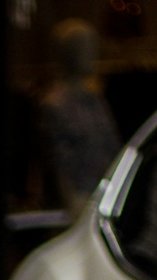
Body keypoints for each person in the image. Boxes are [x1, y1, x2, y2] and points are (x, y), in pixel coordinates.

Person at [41, 19, 121, 220]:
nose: (91, 54)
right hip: (78, 203)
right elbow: (60, 164)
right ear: (68, 53)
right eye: (84, 48)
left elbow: (111, 147)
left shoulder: (95, 100)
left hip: (104, 197)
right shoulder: (56, 105)